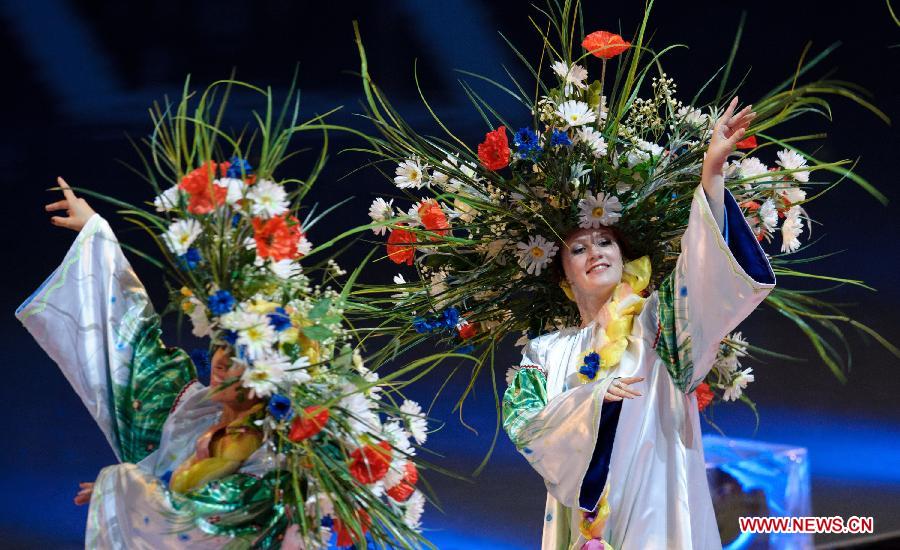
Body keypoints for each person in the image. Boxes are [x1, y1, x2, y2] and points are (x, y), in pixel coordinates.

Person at [501, 98, 775, 549]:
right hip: (584, 526)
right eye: (578, 249)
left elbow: (702, 273)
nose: (597, 252)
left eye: (606, 241)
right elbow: (525, 425)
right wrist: (591, 402)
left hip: (658, 504)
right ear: (563, 277)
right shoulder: (546, 352)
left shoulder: (658, 322)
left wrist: (712, 174)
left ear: (624, 257)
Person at [19, 179, 276, 548]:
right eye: (224, 345)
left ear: (271, 381)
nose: (223, 361)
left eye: (243, 359)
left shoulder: (269, 459)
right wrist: (96, 235)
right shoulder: (192, 413)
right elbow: (131, 346)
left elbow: (202, 522)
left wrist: (123, 494)